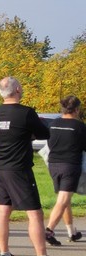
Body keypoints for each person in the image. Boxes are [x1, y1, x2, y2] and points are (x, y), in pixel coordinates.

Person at [0, 76, 66, 256]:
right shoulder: (26, 113)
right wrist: (30, 132)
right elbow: (44, 133)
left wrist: (25, 133)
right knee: (35, 213)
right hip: (18, 169)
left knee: (3, 210)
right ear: (17, 89)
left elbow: (8, 133)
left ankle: (5, 255)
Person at [44, 95, 86, 245]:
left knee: (64, 199)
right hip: (70, 165)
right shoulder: (79, 126)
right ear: (77, 109)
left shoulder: (53, 124)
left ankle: (71, 232)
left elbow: (49, 143)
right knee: (63, 200)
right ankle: (49, 230)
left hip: (53, 164)